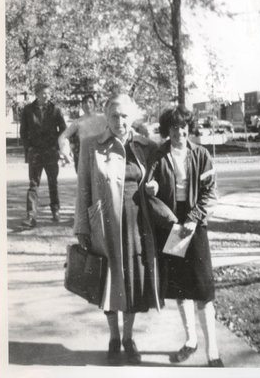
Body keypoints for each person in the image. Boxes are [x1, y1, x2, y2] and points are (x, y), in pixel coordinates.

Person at [74, 93, 163, 365]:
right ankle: (113, 337)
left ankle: (128, 337)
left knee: (134, 281)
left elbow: (159, 178)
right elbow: (83, 190)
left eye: (125, 115)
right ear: (106, 117)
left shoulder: (145, 146)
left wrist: (155, 187)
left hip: (138, 224)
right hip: (106, 223)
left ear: (132, 116)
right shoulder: (91, 146)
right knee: (109, 281)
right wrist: (82, 227)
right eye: (114, 115)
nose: (120, 121)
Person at [145, 105, 224, 367]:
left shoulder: (200, 154)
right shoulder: (158, 154)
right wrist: (152, 187)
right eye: (175, 127)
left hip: (195, 224)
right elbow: (149, 184)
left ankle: (213, 353)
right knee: (181, 288)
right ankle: (191, 341)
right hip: (171, 223)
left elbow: (210, 194)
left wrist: (194, 218)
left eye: (184, 126)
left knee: (203, 290)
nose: (180, 131)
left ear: (189, 127)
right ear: (167, 130)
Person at [20, 82, 66, 228]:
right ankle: (31, 216)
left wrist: (56, 147)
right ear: (37, 94)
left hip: (51, 152)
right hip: (35, 153)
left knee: (53, 183)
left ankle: (55, 210)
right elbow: (23, 132)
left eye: (48, 93)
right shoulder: (28, 110)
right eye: (43, 93)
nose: (46, 96)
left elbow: (63, 130)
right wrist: (29, 149)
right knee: (33, 185)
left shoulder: (56, 110)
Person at [58, 94, 106, 172]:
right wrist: (65, 152)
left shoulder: (103, 118)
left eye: (90, 102)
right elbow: (63, 136)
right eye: (85, 103)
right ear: (82, 106)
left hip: (102, 154)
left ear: (94, 104)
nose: (88, 105)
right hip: (85, 156)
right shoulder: (78, 122)